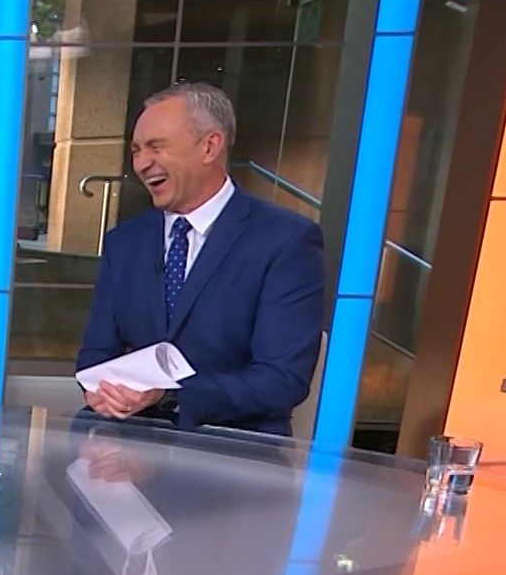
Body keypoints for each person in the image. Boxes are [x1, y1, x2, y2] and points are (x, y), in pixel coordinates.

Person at [77, 82, 325, 436]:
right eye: (136, 150)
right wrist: (104, 393)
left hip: (235, 451)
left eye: (156, 147)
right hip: (127, 445)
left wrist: (170, 396)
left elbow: (282, 379)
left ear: (210, 146)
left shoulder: (285, 240)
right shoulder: (124, 243)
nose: (142, 164)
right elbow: (96, 356)